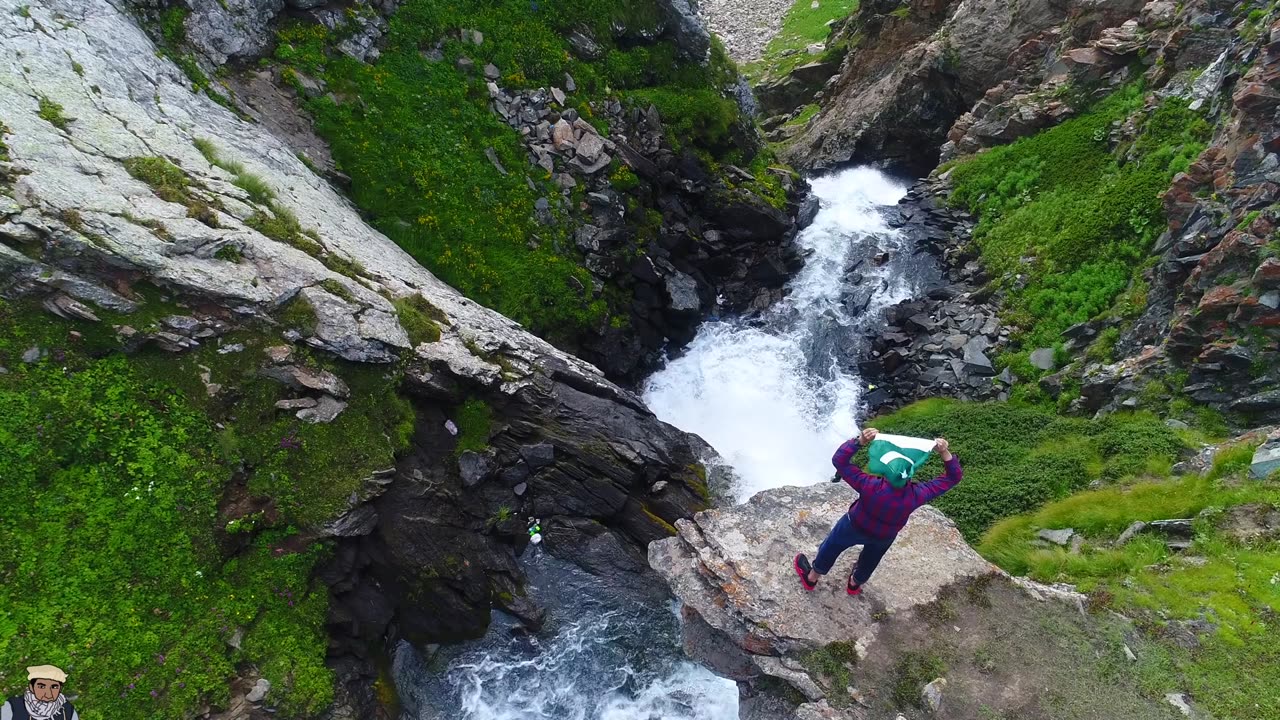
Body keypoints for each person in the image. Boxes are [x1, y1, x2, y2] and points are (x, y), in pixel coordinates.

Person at [794, 427, 962, 596]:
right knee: (870, 560)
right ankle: (855, 583)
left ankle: (812, 576)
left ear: (885, 470)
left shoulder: (869, 485)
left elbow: (839, 461)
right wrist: (945, 452)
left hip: (854, 525)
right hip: (884, 535)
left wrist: (859, 441)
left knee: (832, 546)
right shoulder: (917, 495)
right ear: (909, 474)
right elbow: (953, 477)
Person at [2, 665, 78, 720]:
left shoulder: (67, 710)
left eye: (54, 687)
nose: (48, 694)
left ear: (60, 689)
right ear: (31, 687)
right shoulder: (13, 707)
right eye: (41, 687)